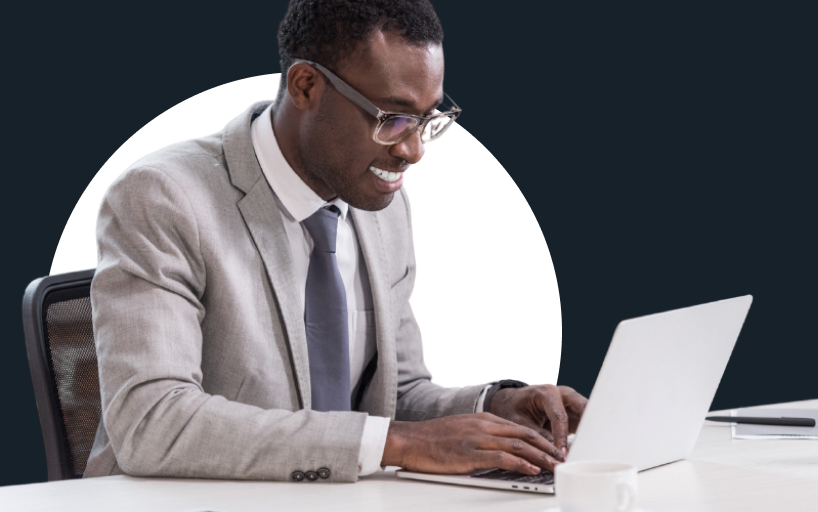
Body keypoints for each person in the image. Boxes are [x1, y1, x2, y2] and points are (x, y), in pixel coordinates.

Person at [84, 0, 586, 483]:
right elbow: (152, 421)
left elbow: (394, 395)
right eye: (393, 118)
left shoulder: (379, 207)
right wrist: (399, 444)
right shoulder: (164, 198)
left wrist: (495, 407)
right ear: (305, 86)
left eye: (428, 119)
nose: (412, 151)